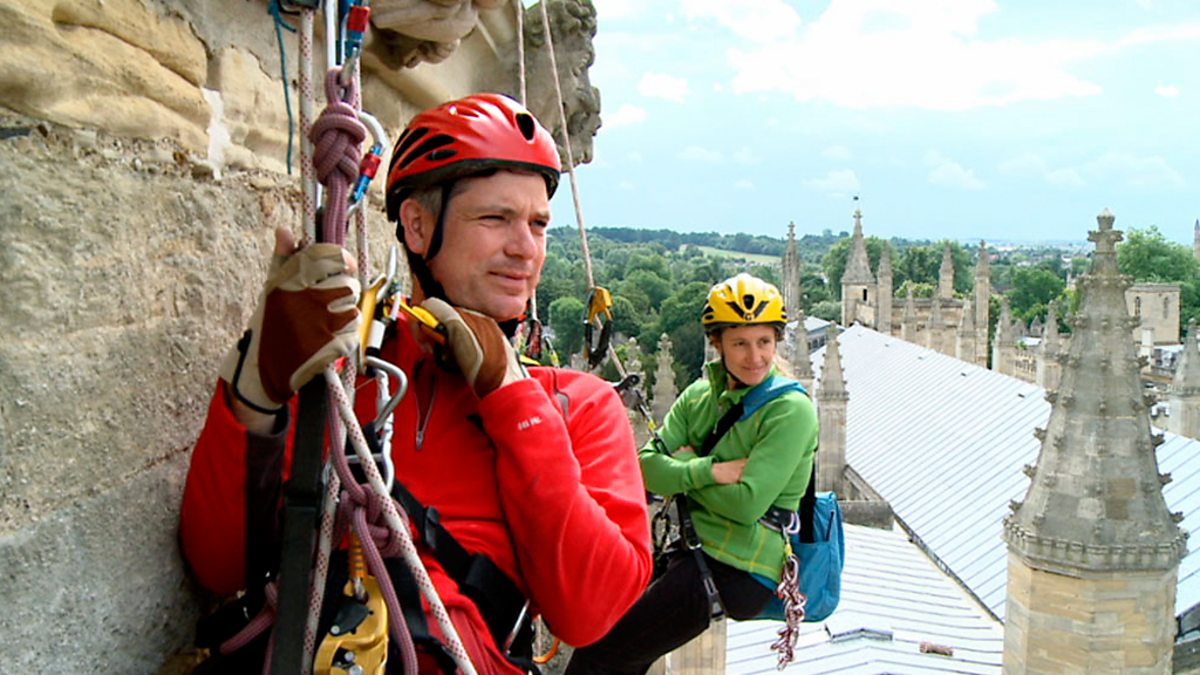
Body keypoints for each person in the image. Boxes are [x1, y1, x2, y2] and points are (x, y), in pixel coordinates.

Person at [179, 93, 653, 674]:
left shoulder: (575, 404)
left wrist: (510, 391)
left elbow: (591, 609)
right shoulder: (343, 364)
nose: (525, 249)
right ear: (418, 224)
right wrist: (258, 383)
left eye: (538, 224)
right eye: (495, 218)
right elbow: (219, 566)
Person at [564, 273, 819, 675]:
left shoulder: (790, 410)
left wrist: (682, 470)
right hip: (694, 549)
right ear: (716, 344)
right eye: (740, 343)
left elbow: (747, 505)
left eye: (764, 342)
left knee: (601, 655)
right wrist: (712, 471)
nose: (754, 357)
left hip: (738, 566)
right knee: (612, 639)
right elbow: (646, 469)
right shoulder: (701, 396)